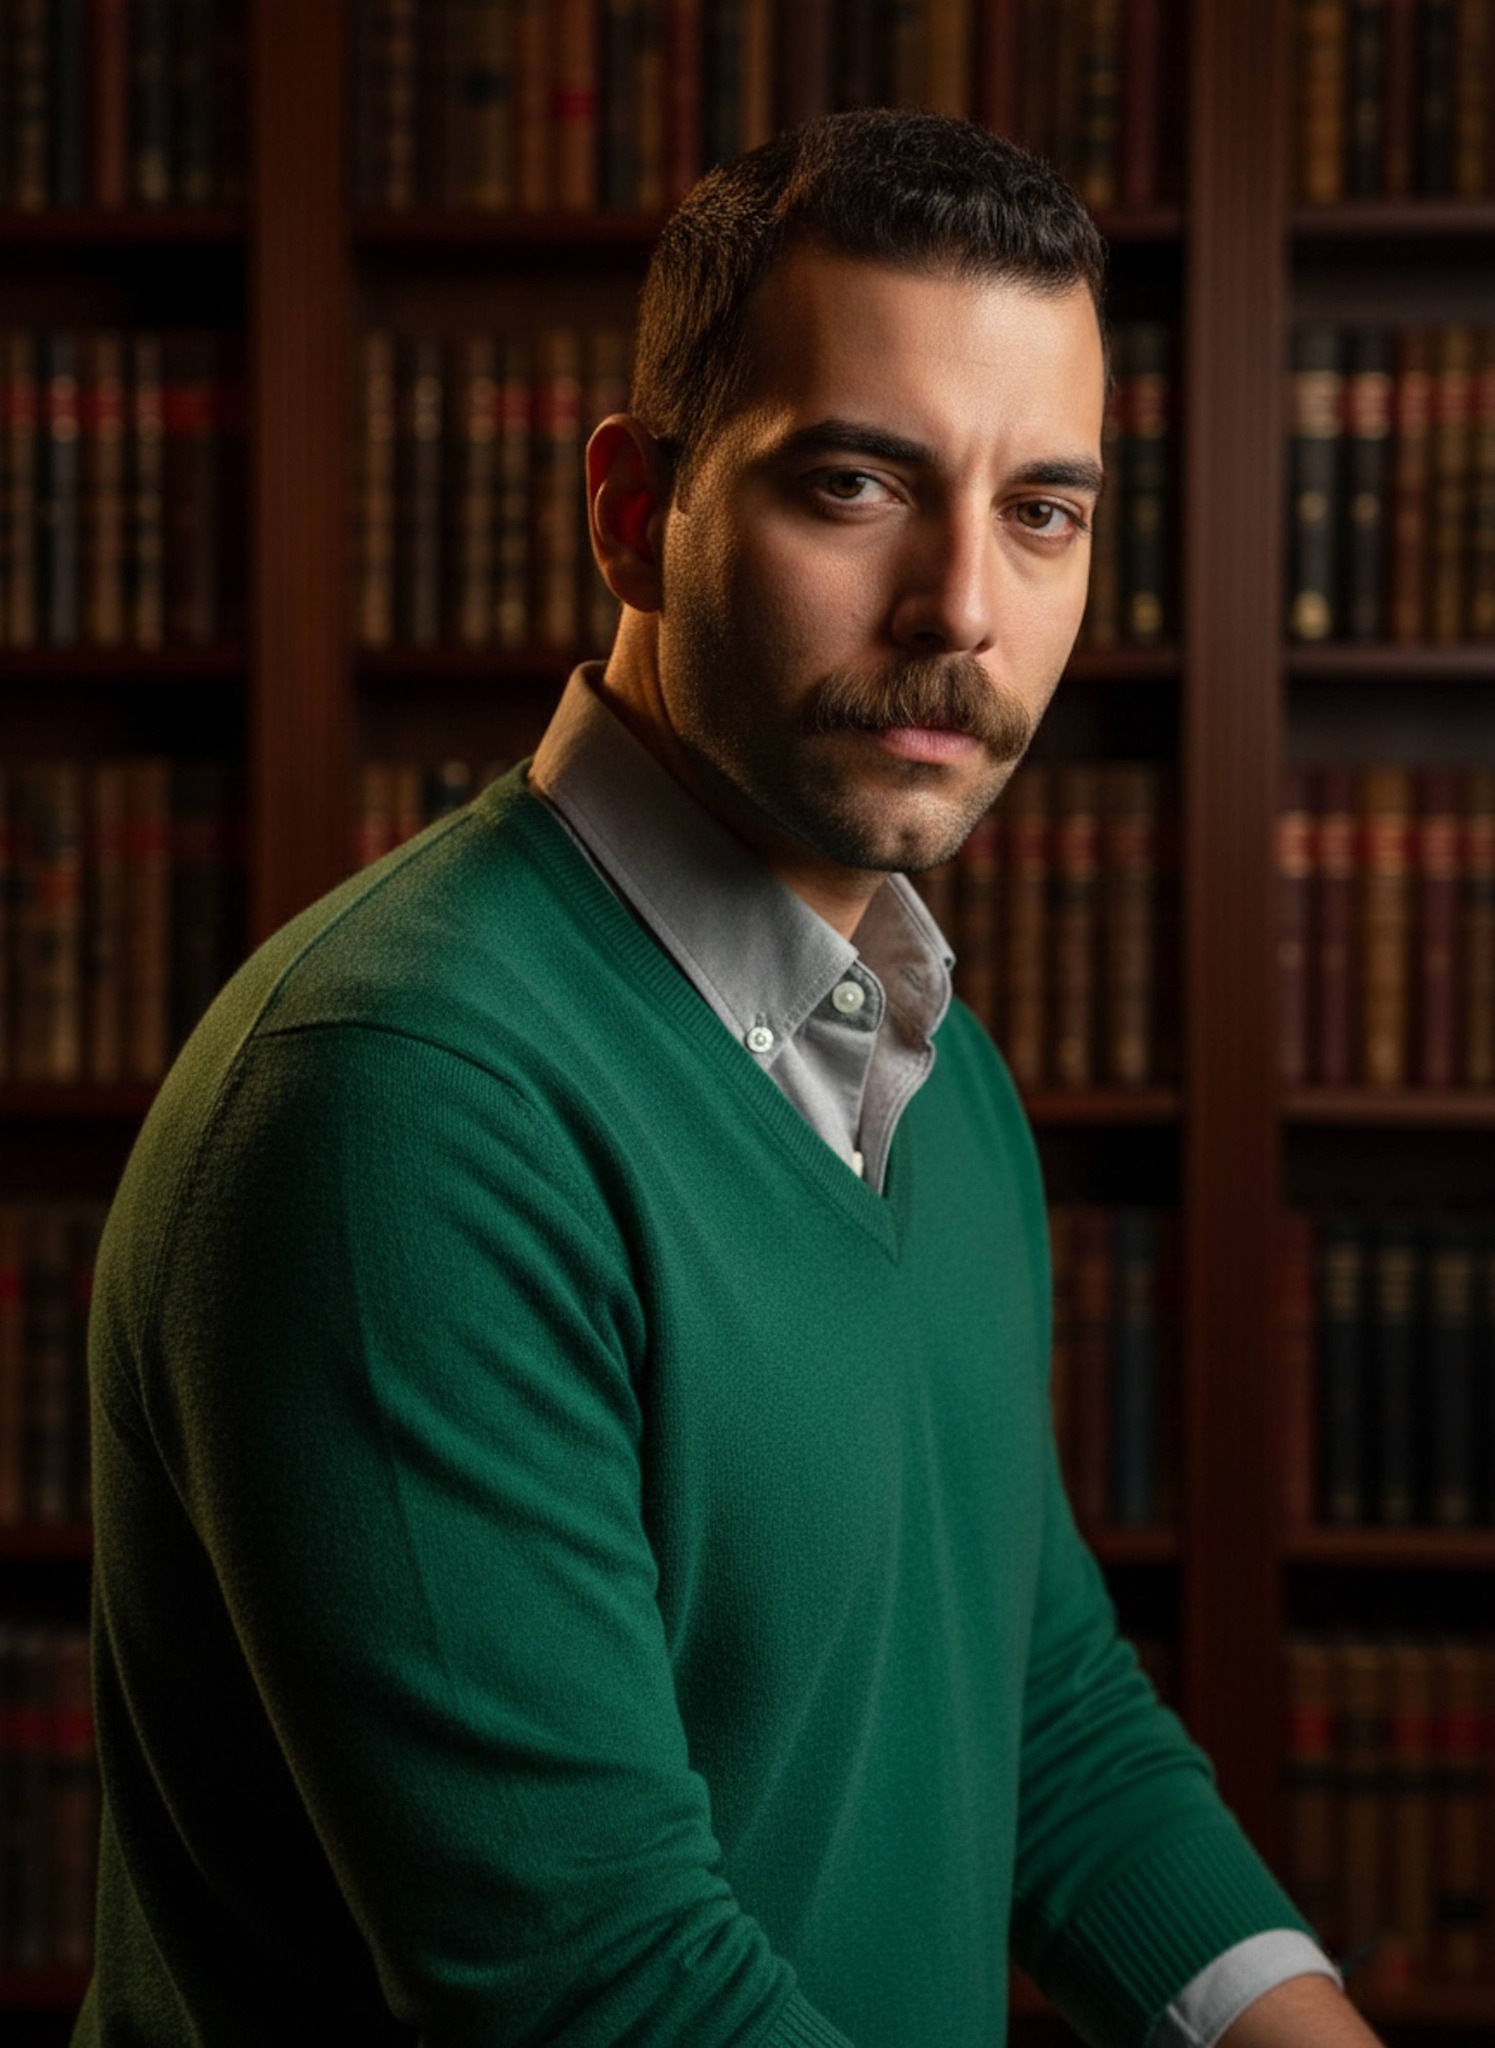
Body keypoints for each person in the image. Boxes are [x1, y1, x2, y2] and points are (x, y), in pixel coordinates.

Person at [74, 113, 1382, 2048]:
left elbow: (1041, 1713)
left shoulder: (936, 1071)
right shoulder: (403, 1107)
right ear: (632, 510)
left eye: (1044, 510)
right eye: (858, 485)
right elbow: (596, 1991)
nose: (962, 607)